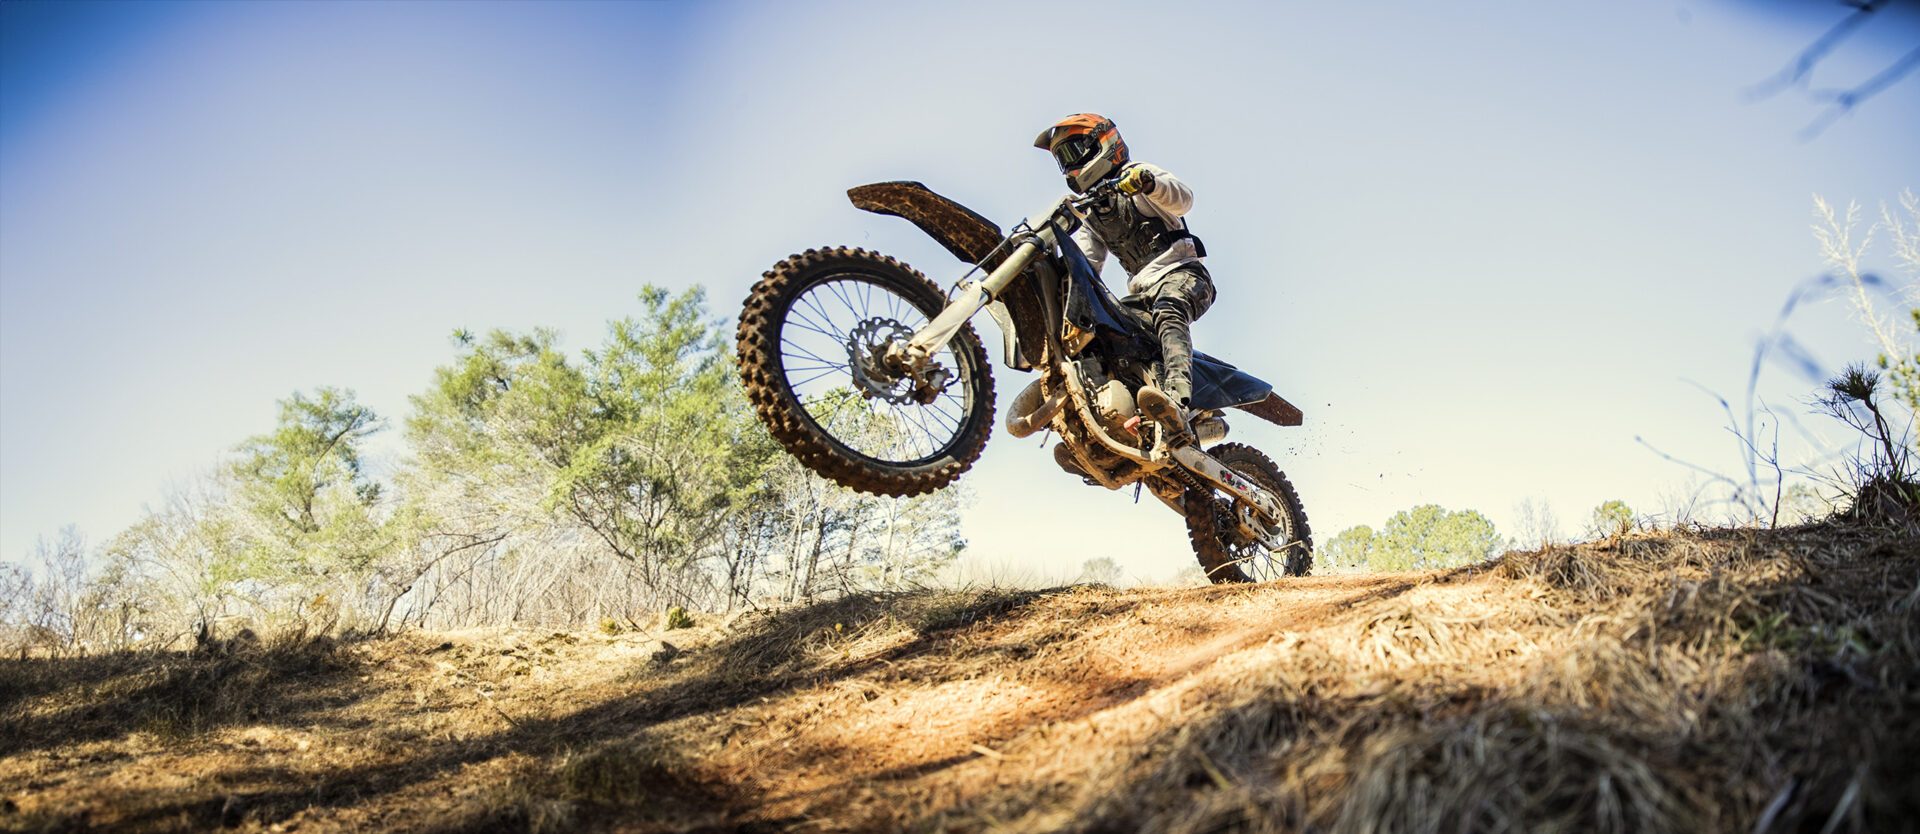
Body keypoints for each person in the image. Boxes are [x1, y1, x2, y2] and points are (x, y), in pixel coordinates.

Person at [1033, 113, 1214, 442]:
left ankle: (1177, 403)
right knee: (1106, 332)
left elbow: (1183, 199)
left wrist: (1149, 183)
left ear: (1101, 144)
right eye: (1063, 161)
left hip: (1184, 275)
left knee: (1169, 311)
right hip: (1142, 294)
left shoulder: (1136, 175)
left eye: (1073, 154)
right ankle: (1122, 419)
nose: (1070, 167)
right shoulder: (1092, 210)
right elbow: (1088, 262)